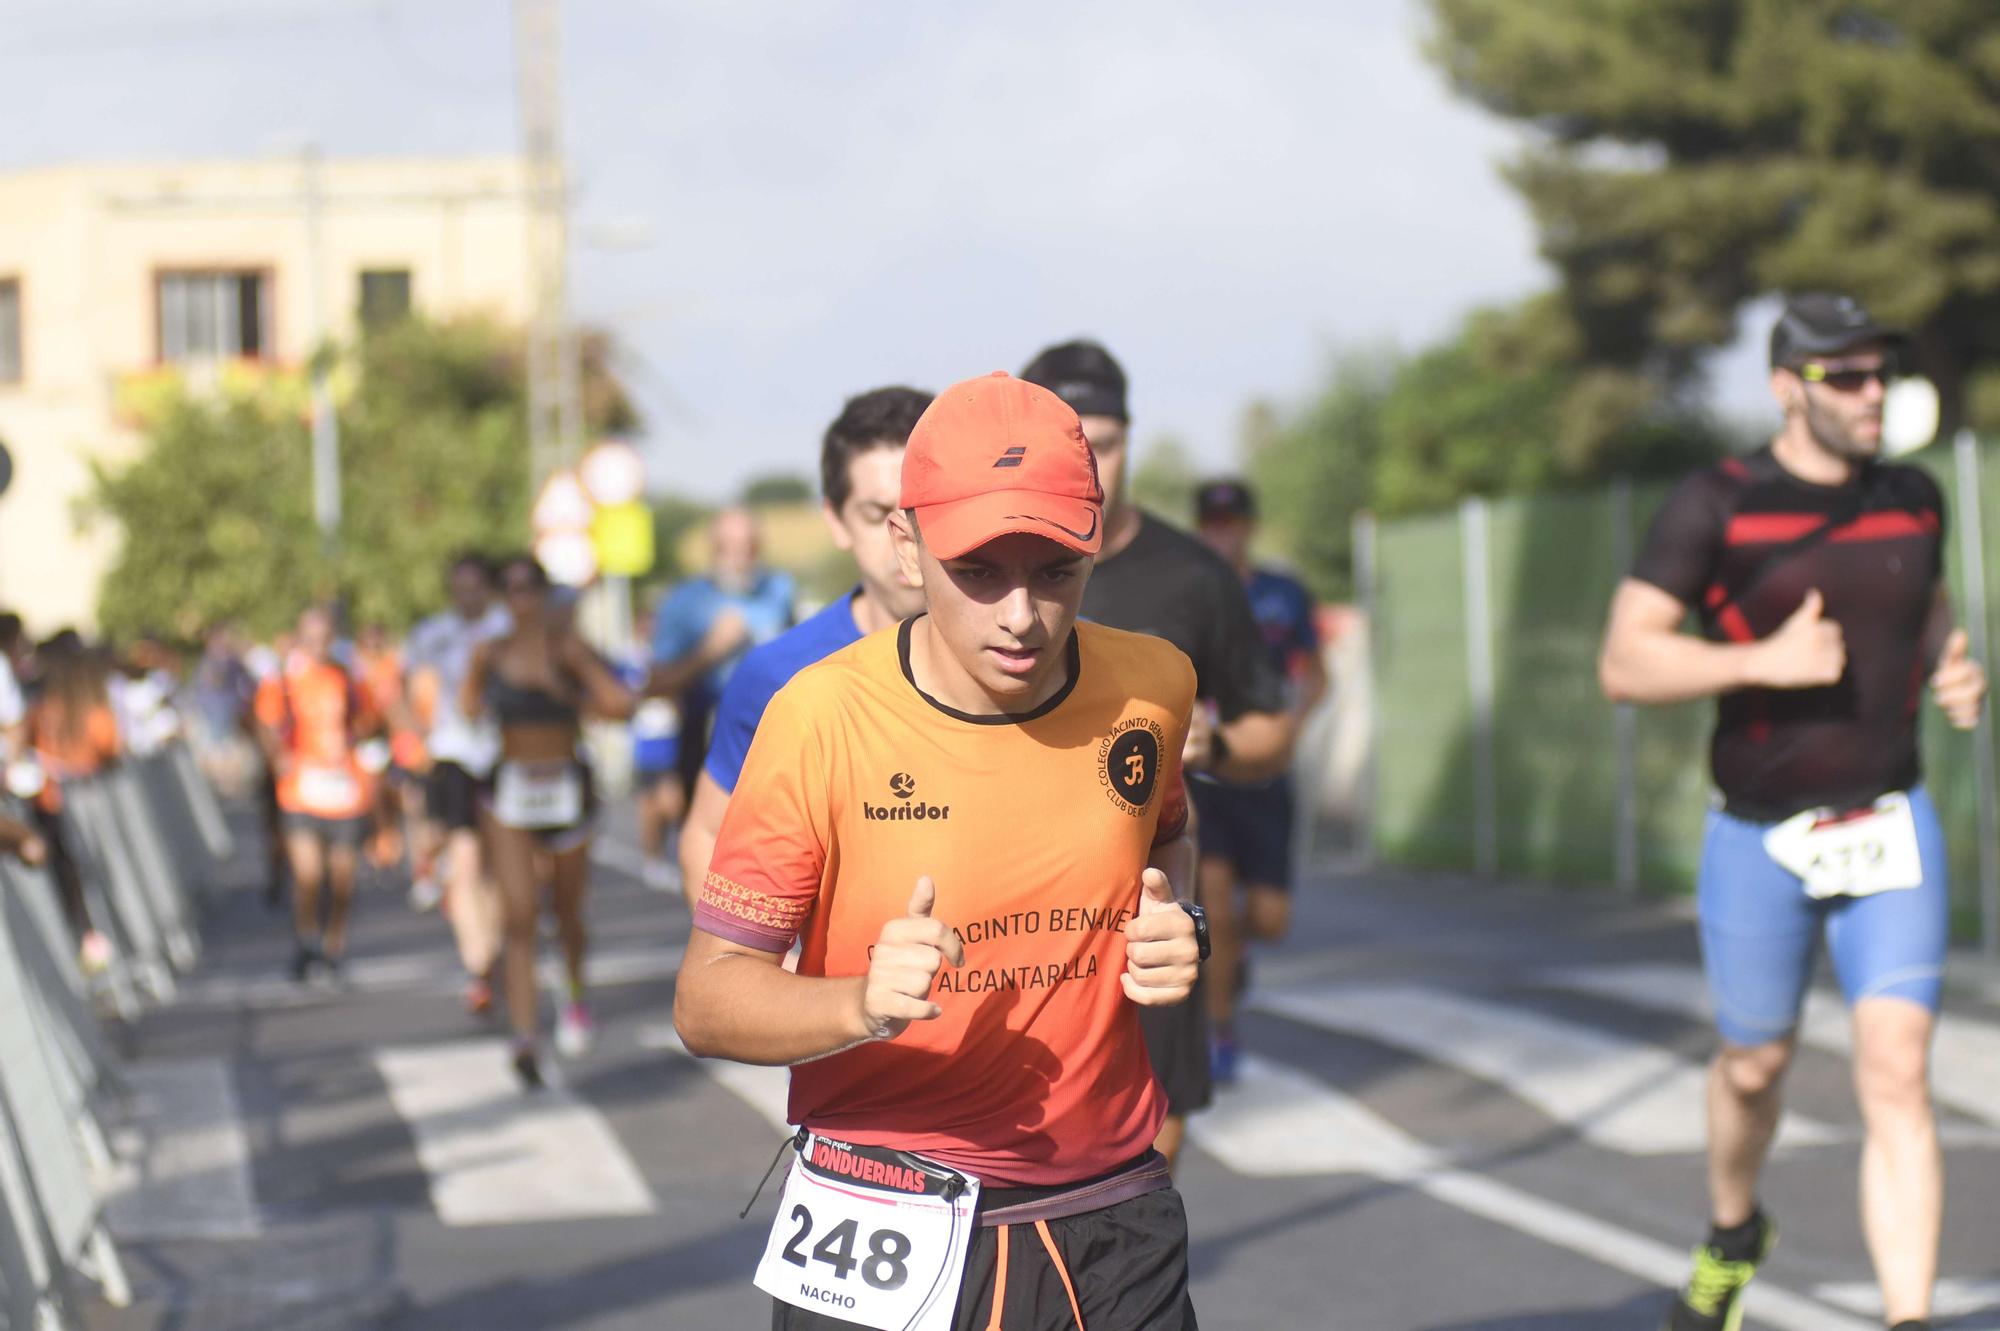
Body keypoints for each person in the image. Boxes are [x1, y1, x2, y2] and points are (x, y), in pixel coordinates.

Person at [676, 371, 1206, 1330]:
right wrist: (858, 1002)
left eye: (1055, 570)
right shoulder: (817, 717)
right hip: (887, 1223)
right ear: (906, 547)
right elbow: (708, 999)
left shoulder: (1153, 684)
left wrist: (1179, 920)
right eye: (980, 571)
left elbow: (1170, 830)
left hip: (1112, 1216)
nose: (1020, 615)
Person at [1596, 293, 1986, 1331]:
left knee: (1896, 1073)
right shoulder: (1713, 504)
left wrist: (1948, 663)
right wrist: (1756, 660)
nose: (1872, 394)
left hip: (1888, 821)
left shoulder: (1911, 494)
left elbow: (1921, 601)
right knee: (1752, 1061)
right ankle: (1732, 1229)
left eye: (1879, 374)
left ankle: (1908, 1314)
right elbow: (1623, 657)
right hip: (1758, 835)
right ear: (1784, 387)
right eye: (1843, 376)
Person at [1021, 338, 1293, 1169]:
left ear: (1130, 439)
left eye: (1105, 441)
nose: (1092, 463)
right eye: (1071, 442)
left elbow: (1268, 730)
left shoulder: (1194, 575)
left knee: (1150, 1154)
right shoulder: (985, 568)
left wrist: (1216, 744)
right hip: (1009, 903)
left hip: (1147, 903)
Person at [676, 385, 933, 889]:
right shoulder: (779, 675)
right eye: (878, 515)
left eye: (922, 508)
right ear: (836, 521)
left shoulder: (1018, 647)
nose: (904, 535)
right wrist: (769, 968)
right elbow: (706, 836)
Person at [463, 556, 635, 1088]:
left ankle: (576, 998)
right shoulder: (489, 653)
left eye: (530, 588)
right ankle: (524, 1037)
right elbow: (466, 709)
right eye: (510, 589)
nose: (521, 599)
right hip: (512, 793)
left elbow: (620, 704)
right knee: (518, 917)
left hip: (565, 791)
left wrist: (567, 691)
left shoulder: (568, 648)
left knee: (565, 912)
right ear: (502, 599)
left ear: (543, 594)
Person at [1190, 477, 1328, 1082]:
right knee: (1213, 903)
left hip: (1267, 773)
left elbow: (1316, 674)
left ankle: (1232, 959)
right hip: (1207, 774)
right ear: (1201, 529)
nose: (1224, 533)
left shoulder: (1284, 593)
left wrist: (1291, 727)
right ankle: (1220, 1031)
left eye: (1233, 522)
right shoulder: (1187, 592)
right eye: (1213, 523)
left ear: (1249, 525)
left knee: (1270, 920)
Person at [644, 508, 795, 885]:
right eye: (728, 548)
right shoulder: (684, 601)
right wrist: (712, 651)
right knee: (712, 857)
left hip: (775, 734)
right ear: (713, 550)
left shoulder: (780, 591)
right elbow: (656, 683)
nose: (739, 557)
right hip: (707, 735)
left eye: (747, 547)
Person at [404, 555, 512, 1013]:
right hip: (454, 756)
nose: (467, 595)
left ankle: (498, 947)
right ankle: (479, 965)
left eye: (475, 586)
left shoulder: (507, 627)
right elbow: (408, 690)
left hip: (504, 755)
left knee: (502, 870)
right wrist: (419, 737)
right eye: (459, 587)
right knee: (465, 864)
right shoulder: (432, 634)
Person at [254, 606, 382, 983]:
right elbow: (264, 722)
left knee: (342, 879)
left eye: (324, 637)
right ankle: (306, 940)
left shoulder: (346, 678)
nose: (317, 645)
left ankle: (333, 946)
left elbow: (369, 720)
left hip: (344, 789)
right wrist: (277, 755)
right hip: (300, 790)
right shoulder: (283, 679)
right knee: (308, 874)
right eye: (310, 638)